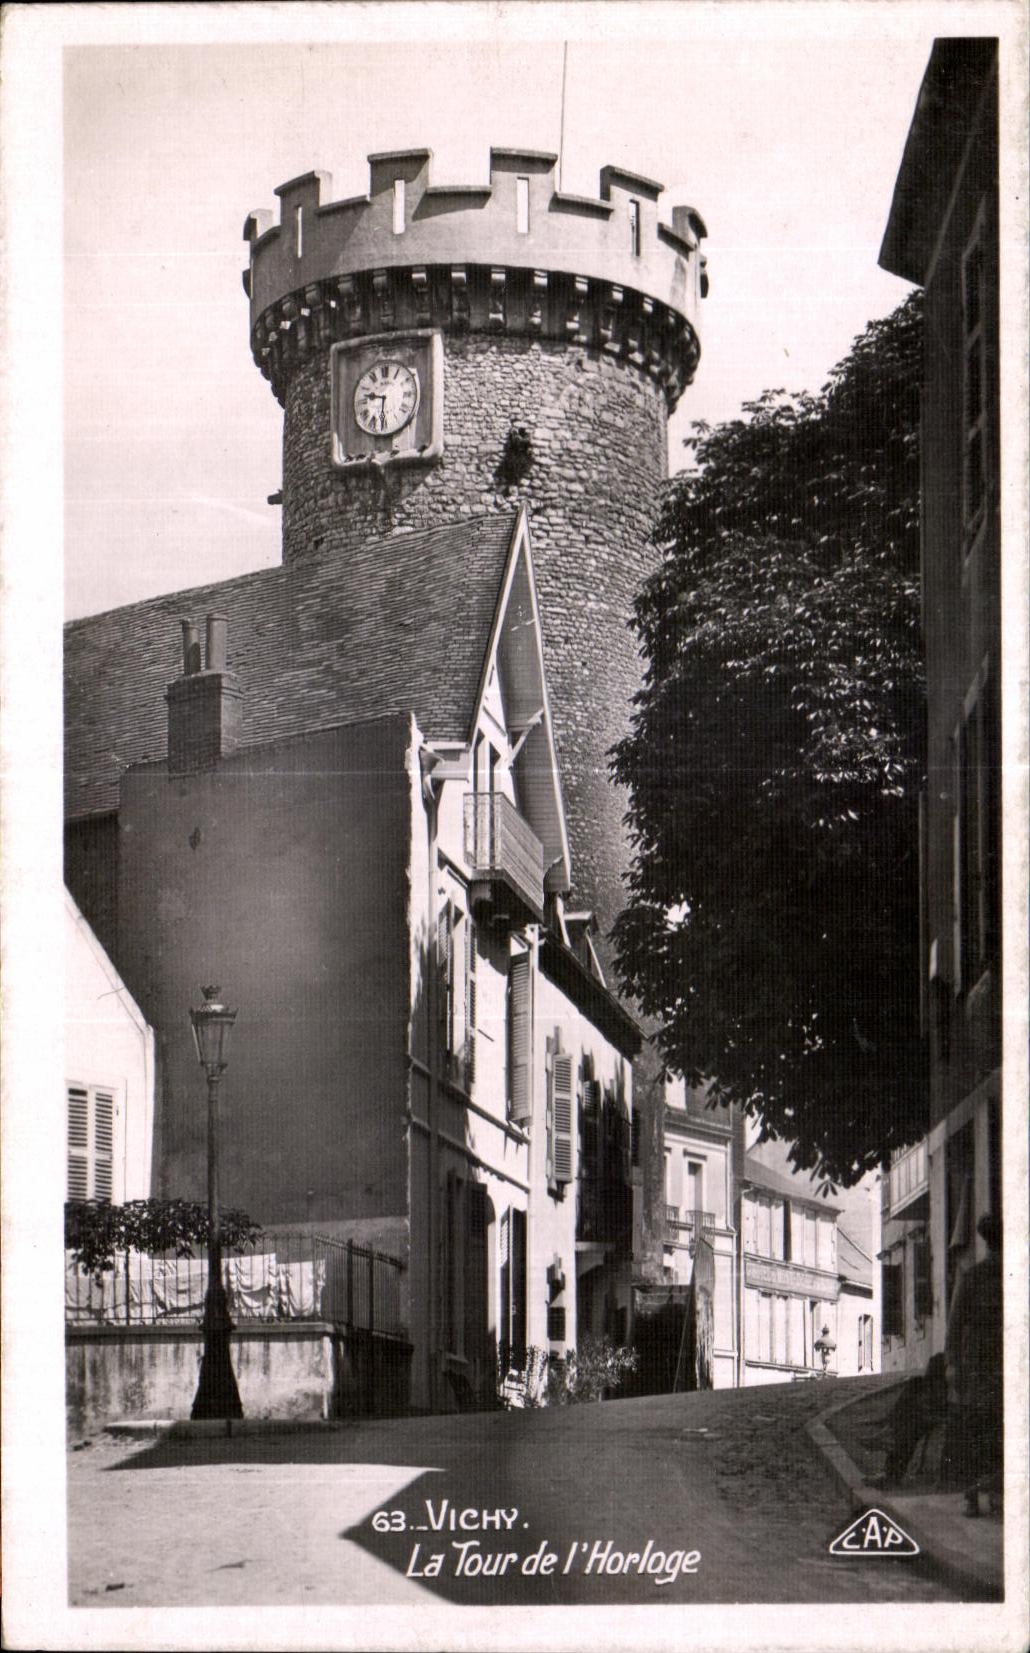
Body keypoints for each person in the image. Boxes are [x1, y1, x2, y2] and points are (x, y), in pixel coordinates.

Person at [942, 1213, 1003, 1515]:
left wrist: (953, 1364)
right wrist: (952, 1364)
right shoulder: (975, 1276)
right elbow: (955, 1326)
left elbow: (954, 1327)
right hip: (983, 1363)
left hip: (987, 1363)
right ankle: (978, 1494)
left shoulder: (979, 1275)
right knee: (984, 1427)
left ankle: (986, 1493)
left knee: (986, 1428)